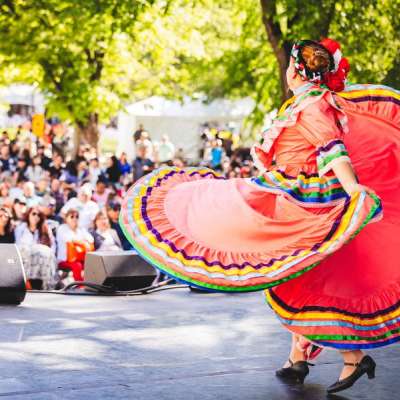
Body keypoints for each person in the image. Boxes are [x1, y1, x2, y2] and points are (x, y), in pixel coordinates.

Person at [120, 38, 400, 394]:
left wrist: (353, 188)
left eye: (289, 65)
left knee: (306, 282)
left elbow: (332, 151)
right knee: (304, 278)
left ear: (297, 70)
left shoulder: (312, 105)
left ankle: (348, 357)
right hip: (292, 197)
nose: (285, 70)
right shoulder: (305, 103)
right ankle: (301, 356)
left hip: (302, 206)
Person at [15, 206, 58, 289]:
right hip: (26, 258)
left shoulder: (45, 228)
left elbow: (53, 246)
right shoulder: (21, 228)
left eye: (38, 215)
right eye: (33, 214)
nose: (36, 217)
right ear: (28, 215)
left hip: (43, 260)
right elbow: (17, 245)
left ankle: (46, 287)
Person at [56, 209, 93, 282]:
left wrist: (84, 242)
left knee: (92, 263)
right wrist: (83, 242)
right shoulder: (62, 228)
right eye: (72, 216)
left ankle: (91, 284)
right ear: (66, 218)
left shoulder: (80, 229)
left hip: (80, 257)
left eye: (77, 217)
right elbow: (69, 239)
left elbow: (91, 239)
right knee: (77, 265)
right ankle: (79, 286)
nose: (75, 218)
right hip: (65, 260)